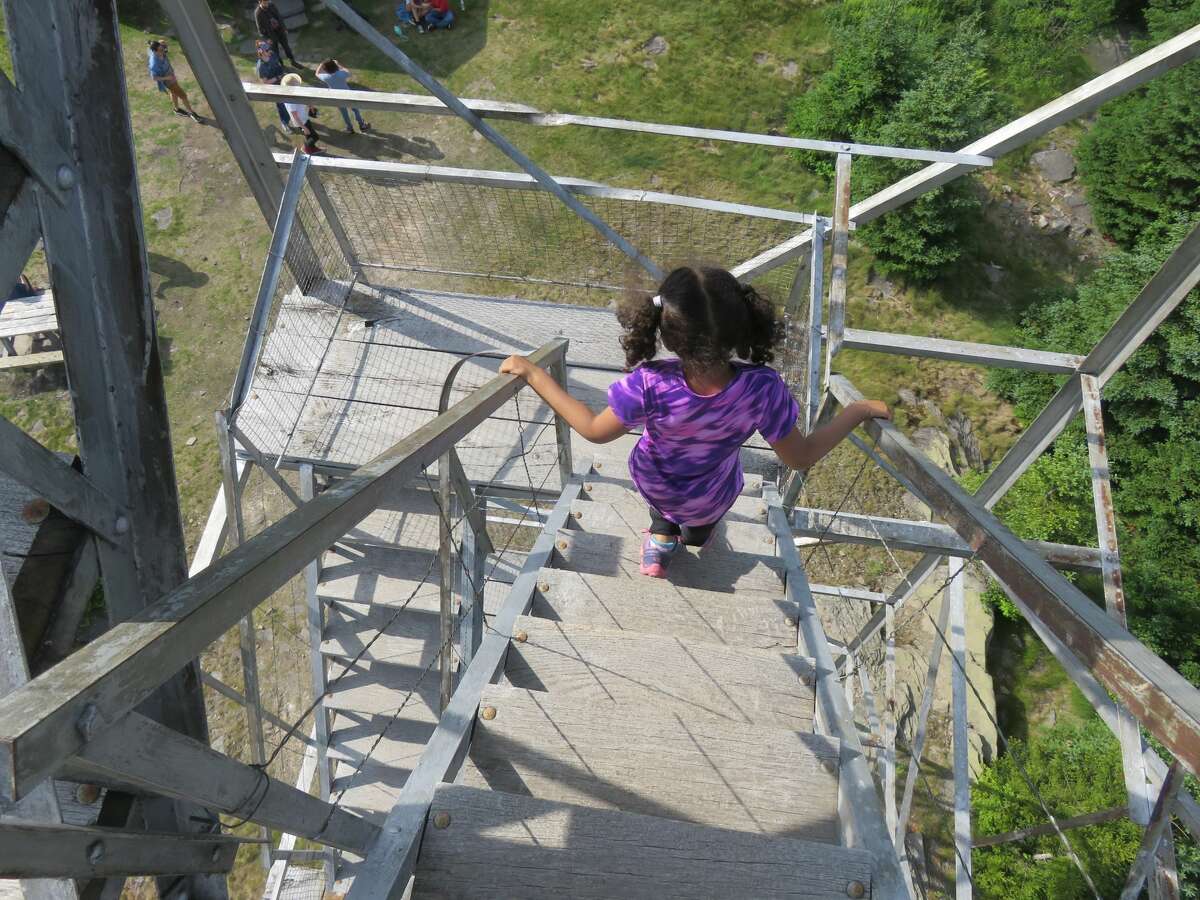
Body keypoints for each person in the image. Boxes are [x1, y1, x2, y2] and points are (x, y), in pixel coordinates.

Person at [500, 266, 891, 578]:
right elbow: (800, 457)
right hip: (711, 494)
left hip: (655, 481)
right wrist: (857, 411)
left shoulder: (650, 383)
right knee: (700, 526)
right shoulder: (762, 389)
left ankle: (658, 542)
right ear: (742, 328)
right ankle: (690, 536)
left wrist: (535, 374)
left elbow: (591, 429)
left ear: (667, 335)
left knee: (663, 510)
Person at [147, 41, 202, 122]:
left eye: (163, 48)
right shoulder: (154, 63)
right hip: (168, 80)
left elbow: (163, 43)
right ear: (155, 51)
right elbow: (154, 78)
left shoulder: (161, 50)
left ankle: (176, 110)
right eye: (160, 50)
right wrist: (167, 78)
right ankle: (192, 113)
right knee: (183, 96)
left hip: (171, 76)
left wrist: (164, 44)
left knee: (173, 93)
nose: (163, 51)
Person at [315, 59, 371, 133]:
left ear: (326, 69)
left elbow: (317, 73)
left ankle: (349, 128)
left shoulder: (326, 77)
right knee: (355, 110)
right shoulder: (341, 73)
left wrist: (321, 64)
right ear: (335, 66)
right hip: (348, 95)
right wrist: (338, 64)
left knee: (344, 113)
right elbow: (348, 71)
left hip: (337, 98)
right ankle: (362, 125)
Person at [280, 72, 322, 154]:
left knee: (309, 135)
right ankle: (306, 148)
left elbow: (303, 100)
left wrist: (310, 106)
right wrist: (303, 127)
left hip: (304, 117)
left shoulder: (294, 93)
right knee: (315, 137)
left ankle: (311, 148)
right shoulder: (290, 101)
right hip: (301, 121)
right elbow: (295, 116)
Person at [255, 40, 290, 131]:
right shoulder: (261, 67)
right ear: (261, 52)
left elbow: (278, 65)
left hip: (283, 81)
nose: (269, 51)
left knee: (290, 100)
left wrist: (282, 75)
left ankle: (294, 116)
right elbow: (265, 82)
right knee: (281, 105)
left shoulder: (272, 54)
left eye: (269, 48)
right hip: (274, 87)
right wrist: (278, 77)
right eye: (267, 50)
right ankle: (285, 122)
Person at [255, 0, 301, 68]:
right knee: (275, 51)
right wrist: (267, 38)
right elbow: (260, 29)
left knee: (287, 47)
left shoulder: (271, 5)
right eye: (265, 2)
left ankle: (293, 62)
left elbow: (279, 17)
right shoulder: (258, 13)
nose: (267, 4)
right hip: (271, 35)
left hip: (280, 30)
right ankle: (281, 65)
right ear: (260, 2)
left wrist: (284, 28)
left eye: (267, 1)